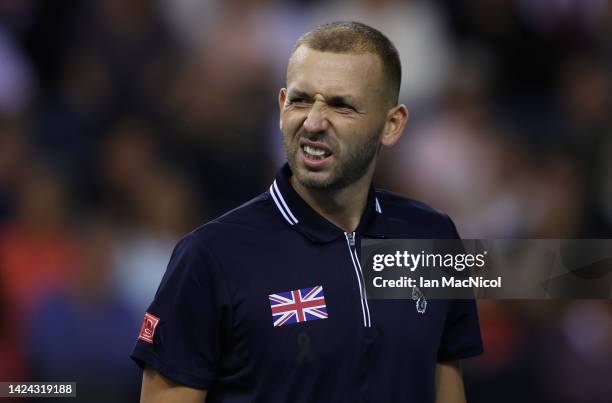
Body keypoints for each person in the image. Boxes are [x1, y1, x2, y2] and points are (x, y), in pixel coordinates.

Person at [131, 21, 483, 403]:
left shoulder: (430, 236)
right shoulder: (211, 257)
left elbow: (445, 386)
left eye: (341, 105)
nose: (313, 123)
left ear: (391, 124)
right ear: (282, 107)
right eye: (300, 100)